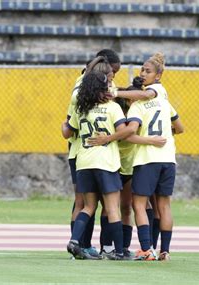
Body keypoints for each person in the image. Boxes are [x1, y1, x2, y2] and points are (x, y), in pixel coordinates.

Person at [94, 53, 184, 261]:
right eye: (142, 70)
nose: (143, 73)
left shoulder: (139, 104)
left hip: (147, 159)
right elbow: (180, 128)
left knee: (139, 205)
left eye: (147, 71)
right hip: (169, 157)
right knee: (164, 205)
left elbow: (130, 131)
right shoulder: (165, 101)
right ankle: (165, 251)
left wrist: (115, 94)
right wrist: (166, 134)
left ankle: (146, 249)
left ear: (158, 76)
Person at [63, 70, 135, 260]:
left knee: (88, 207)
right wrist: (108, 138)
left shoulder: (81, 109)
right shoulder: (112, 108)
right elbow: (124, 131)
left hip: (84, 161)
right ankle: (119, 252)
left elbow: (69, 130)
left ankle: (74, 241)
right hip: (106, 162)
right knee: (112, 208)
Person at [65, 55, 115, 259]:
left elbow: (67, 127)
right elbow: (68, 127)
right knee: (87, 203)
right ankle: (84, 246)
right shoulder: (84, 94)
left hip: (83, 154)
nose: (112, 82)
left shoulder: (84, 90)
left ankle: (82, 245)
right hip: (86, 153)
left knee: (87, 203)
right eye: (111, 77)